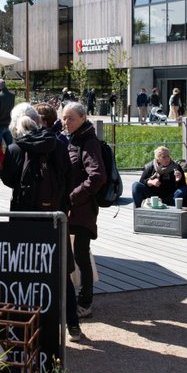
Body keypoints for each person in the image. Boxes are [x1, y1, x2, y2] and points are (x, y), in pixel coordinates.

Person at [0, 103, 80, 334]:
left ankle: (29, 323)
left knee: (24, 270)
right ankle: (72, 323)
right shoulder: (58, 144)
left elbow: (8, 179)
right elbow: (68, 177)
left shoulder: (15, 148)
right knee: (60, 271)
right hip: (54, 215)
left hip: (23, 216)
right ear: (38, 121)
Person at [61, 101, 104, 329]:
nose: (66, 122)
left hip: (82, 210)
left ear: (83, 119)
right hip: (74, 209)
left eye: (70, 118)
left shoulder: (88, 141)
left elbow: (97, 176)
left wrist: (72, 197)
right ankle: (75, 299)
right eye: (64, 118)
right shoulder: (74, 139)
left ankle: (85, 302)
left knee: (81, 256)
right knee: (75, 255)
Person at [0, 78, 14, 148]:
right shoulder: (12, 96)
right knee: (11, 146)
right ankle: (11, 158)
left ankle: (1, 159)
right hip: (8, 124)